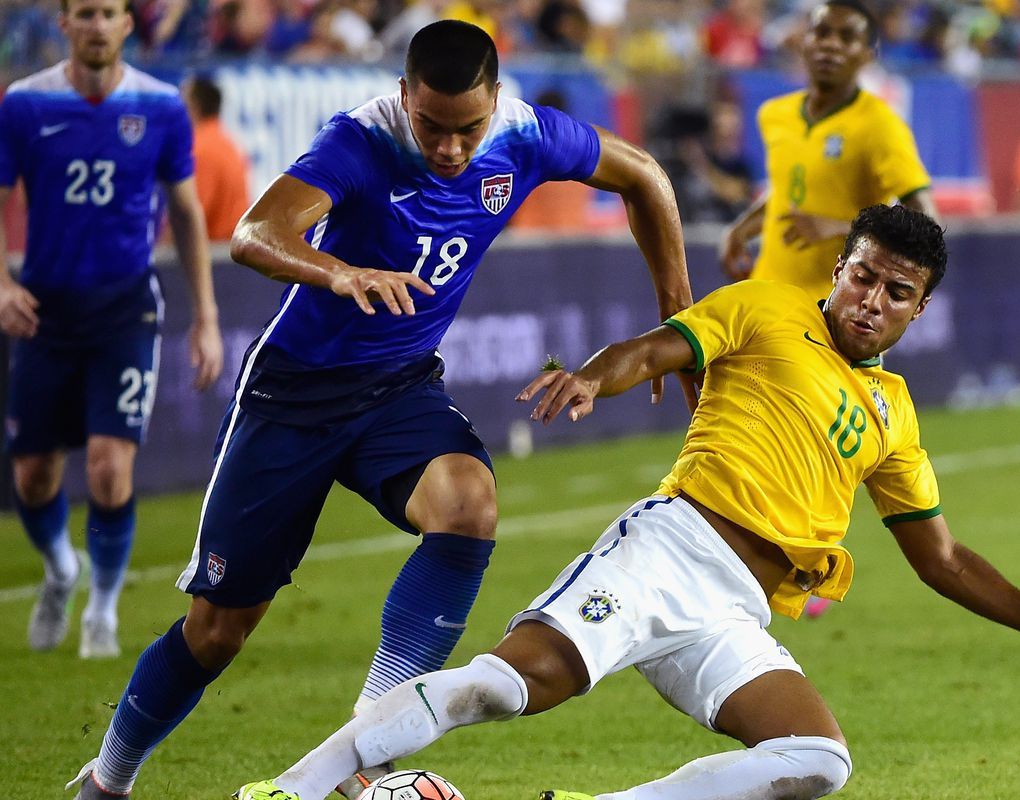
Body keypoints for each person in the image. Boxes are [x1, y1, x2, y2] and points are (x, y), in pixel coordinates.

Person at [234, 204, 1020, 800]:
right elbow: (655, 348)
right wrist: (594, 377)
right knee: (504, 687)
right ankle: (291, 789)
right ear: (839, 269)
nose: (873, 299)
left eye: (898, 292)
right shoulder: (764, 309)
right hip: (668, 551)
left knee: (816, 762)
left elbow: (943, 560)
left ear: (919, 310)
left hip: (735, 611)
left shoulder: (895, 414)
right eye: (864, 276)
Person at [68, 19, 693, 800]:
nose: (451, 148)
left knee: (468, 503)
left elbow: (645, 176)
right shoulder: (361, 141)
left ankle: (364, 749)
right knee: (218, 631)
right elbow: (256, 233)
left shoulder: (528, 135)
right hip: (293, 395)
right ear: (405, 97)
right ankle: (108, 779)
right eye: (432, 125)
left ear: (495, 102)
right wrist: (339, 273)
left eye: (469, 128)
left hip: (397, 386)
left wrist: (680, 321)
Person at [0, 0, 223, 661]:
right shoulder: (24, 105)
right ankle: (62, 570)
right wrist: (5, 284)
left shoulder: (159, 107)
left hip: (125, 309)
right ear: (63, 24)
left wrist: (205, 317)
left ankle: (101, 607)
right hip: (45, 309)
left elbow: (185, 213)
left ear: (128, 24)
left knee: (108, 467)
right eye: (85, 13)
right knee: (35, 475)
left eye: (109, 13)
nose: (97, 25)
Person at [719, 0, 939, 301]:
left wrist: (841, 227)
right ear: (803, 42)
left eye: (847, 38)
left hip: (835, 312)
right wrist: (741, 230)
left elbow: (926, 222)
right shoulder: (776, 114)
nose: (831, 45)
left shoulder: (880, 126)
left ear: (867, 56)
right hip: (765, 297)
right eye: (821, 33)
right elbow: (790, 191)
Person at [182, 74, 251, 241]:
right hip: (232, 251)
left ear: (194, 107)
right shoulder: (229, 144)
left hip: (215, 254)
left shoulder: (200, 149)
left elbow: (188, 218)